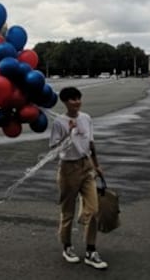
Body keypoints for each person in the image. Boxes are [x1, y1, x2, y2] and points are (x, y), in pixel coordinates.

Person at [48, 87, 108, 270]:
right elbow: (54, 148)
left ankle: (91, 250)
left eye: (78, 98)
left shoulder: (86, 118)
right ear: (65, 102)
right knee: (68, 212)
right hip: (68, 169)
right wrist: (68, 133)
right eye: (72, 99)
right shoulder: (59, 122)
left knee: (94, 209)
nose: (77, 102)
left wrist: (97, 165)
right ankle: (67, 246)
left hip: (86, 166)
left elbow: (90, 143)